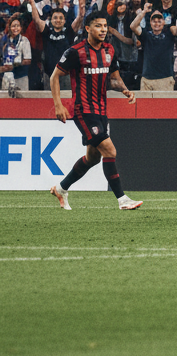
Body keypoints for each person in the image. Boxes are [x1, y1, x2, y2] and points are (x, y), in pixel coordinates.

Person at [48, 11, 142, 211]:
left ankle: (61, 188)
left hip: (101, 110)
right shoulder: (75, 52)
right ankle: (122, 199)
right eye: (98, 26)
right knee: (110, 150)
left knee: (93, 158)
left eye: (105, 26)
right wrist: (58, 104)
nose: (103, 30)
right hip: (83, 110)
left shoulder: (109, 50)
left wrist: (125, 90)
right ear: (88, 29)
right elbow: (54, 76)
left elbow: (114, 79)